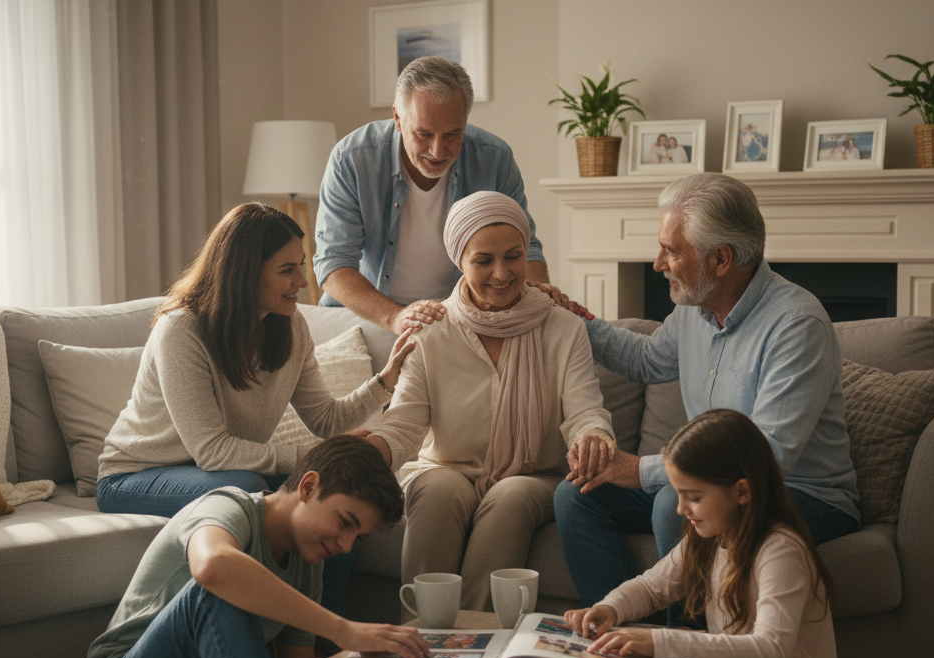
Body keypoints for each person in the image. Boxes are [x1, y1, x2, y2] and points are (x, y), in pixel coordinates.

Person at [545, 172, 859, 612]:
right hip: (712, 484)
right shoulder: (696, 308)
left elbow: (769, 455)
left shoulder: (796, 324)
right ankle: (622, 638)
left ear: (721, 260)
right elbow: (645, 359)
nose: (658, 263)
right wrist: (570, 315)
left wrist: (641, 470)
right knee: (577, 496)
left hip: (800, 493)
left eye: (672, 251)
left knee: (673, 504)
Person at [97, 202, 417, 627]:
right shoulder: (181, 330)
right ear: (245, 271)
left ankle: (328, 650)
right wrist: (308, 458)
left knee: (335, 496)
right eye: (287, 270)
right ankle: (261, 641)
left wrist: (385, 380)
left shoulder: (290, 327)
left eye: (301, 266)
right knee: (244, 488)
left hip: (218, 469)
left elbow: (324, 417)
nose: (302, 282)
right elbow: (213, 453)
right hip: (136, 475)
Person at [88, 435, 429, 658]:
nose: (346, 545)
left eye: (358, 536)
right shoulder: (227, 505)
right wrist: (343, 629)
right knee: (214, 593)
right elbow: (212, 567)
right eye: (345, 523)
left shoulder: (307, 565)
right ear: (308, 487)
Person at [357, 191, 614, 612]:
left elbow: (585, 409)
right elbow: (403, 424)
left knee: (510, 497)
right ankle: (421, 637)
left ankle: (473, 643)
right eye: (483, 261)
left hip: (534, 476)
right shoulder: (431, 330)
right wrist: (368, 452)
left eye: (513, 257)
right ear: (459, 260)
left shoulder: (563, 326)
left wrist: (593, 437)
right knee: (436, 490)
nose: (501, 273)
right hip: (445, 467)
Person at [547, 409, 839, 658]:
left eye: (693, 497)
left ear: (742, 491)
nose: (681, 508)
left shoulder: (780, 550)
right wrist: (611, 608)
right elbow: (653, 587)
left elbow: (771, 650)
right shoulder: (708, 537)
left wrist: (658, 642)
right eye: (679, 494)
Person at [314, 56, 549, 336]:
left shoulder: (494, 158)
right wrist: (395, 317)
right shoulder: (352, 159)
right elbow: (333, 263)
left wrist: (542, 299)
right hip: (367, 317)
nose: (438, 151)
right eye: (424, 134)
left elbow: (526, 247)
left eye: (452, 135)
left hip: (460, 317)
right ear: (398, 119)